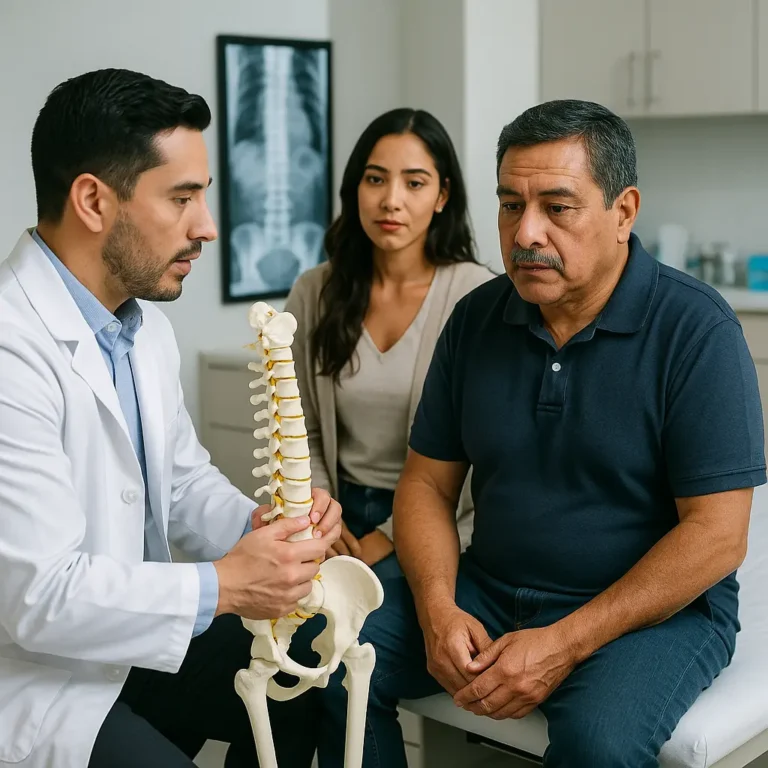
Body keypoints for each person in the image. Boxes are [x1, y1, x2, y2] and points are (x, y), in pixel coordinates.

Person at [305, 99, 766, 768]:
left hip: (649, 618)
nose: (527, 233)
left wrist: (565, 642)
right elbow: (426, 485)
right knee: (340, 657)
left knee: (596, 744)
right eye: (510, 205)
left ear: (623, 211)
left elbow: (718, 536)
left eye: (558, 207)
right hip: (490, 587)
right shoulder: (475, 320)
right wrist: (438, 611)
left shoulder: (696, 331)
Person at [0, 68, 342, 768]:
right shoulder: (11, 347)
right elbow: (38, 596)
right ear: (93, 200)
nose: (207, 227)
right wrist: (226, 583)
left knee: (306, 673)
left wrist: (262, 530)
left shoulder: (141, 327)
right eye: (181, 199)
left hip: (130, 644)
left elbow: (182, 484)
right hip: (38, 677)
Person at [284, 108, 494, 580]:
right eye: (376, 179)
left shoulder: (475, 297)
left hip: (441, 522)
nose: (391, 200)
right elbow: (300, 428)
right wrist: (317, 518)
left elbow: (483, 451)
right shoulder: (315, 291)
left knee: (366, 638)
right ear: (355, 188)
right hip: (331, 515)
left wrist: (394, 532)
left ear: (442, 195)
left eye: (415, 183)